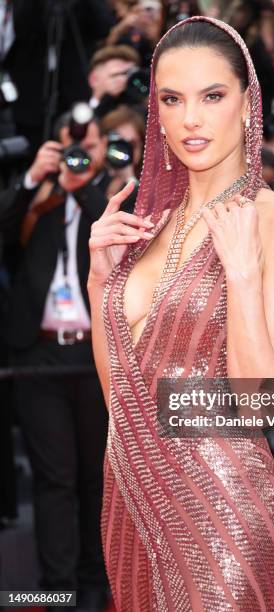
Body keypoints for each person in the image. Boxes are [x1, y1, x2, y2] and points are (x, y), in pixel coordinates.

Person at [88, 16, 274, 611]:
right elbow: (120, 400)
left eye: (212, 96)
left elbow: (261, 404)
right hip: (130, 501)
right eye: (172, 98)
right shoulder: (143, 229)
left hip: (225, 511)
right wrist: (98, 280)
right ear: (156, 112)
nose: (190, 118)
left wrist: (241, 274)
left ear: (247, 105)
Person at [0, 117, 118, 612]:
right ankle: (57, 592)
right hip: (39, 354)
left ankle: (94, 588)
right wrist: (32, 179)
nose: (78, 156)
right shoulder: (35, 200)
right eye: (71, 149)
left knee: (97, 475)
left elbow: (124, 248)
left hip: (96, 353)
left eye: (87, 148)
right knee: (55, 478)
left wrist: (85, 186)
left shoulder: (112, 194)